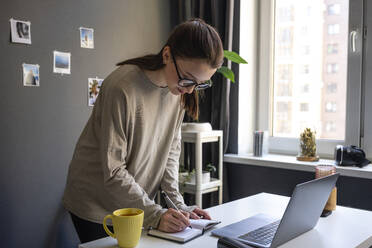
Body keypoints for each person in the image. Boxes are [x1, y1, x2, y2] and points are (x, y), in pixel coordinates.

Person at [63, 18, 224, 243]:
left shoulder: (177, 91)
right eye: (188, 79)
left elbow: (170, 154)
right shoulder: (122, 87)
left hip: (131, 201)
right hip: (94, 201)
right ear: (167, 55)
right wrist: (155, 215)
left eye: (200, 84)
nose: (190, 90)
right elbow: (114, 169)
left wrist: (179, 207)